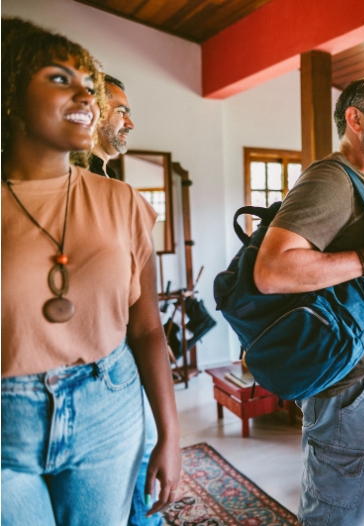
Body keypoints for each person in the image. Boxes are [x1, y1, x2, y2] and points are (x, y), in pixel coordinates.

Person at [1, 17, 180, 526]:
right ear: (11, 92)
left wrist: (169, 434)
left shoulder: (121, 200)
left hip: (108, 403)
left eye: (90, 86)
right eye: (61, 79)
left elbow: (146, 327)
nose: (85, 97)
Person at [253, 70, 364, 526]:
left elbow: (359, 260)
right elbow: (271, 270)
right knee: (336, 515)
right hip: (355, 389)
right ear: (355, 119)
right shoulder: (331, 179)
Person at [82, 73, 160, 526]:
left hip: (123, 365)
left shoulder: (117, 188)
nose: (130, 121)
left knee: (141, 479)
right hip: (96, 368)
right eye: (121, 109)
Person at [88, 74, 134, 179]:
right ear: (95, 111)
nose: (131, 125)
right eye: (121, 112)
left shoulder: (109, 176)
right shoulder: (76, 174)